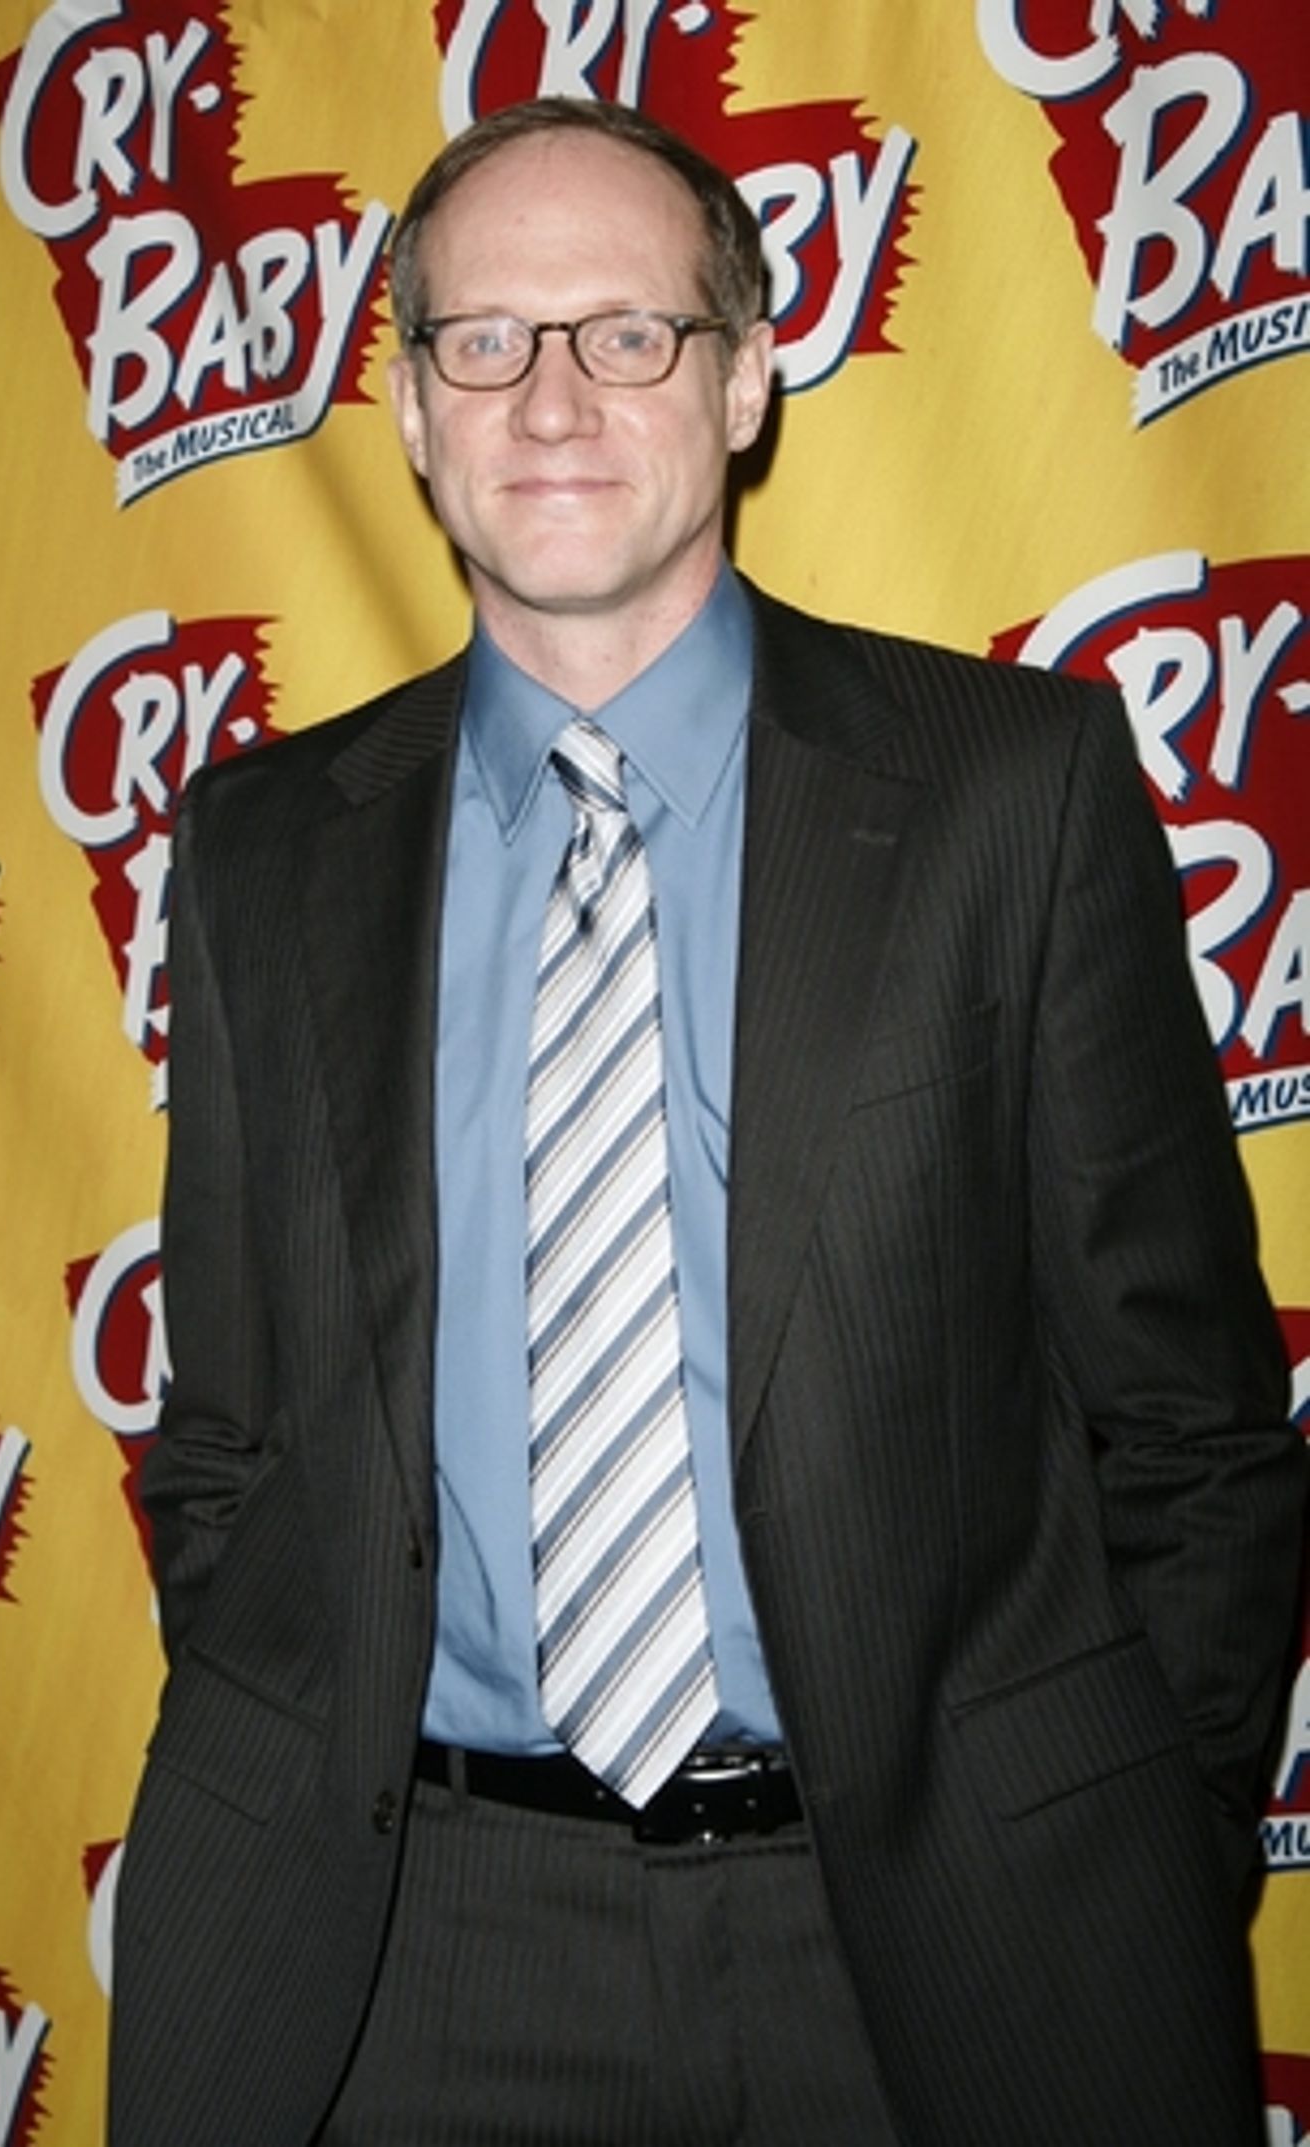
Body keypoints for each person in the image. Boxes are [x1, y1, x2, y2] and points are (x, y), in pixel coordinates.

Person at [108, 97, 1305, 2147]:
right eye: (486, 339)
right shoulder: (262, 844)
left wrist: (1133, 1846)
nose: (551, 398)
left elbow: (1190, 1425)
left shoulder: (1007, 791)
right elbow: (225, 1439)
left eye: (628, 333)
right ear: (409, 407)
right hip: (413, 1946)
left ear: (744, 380)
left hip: (943, 1935)